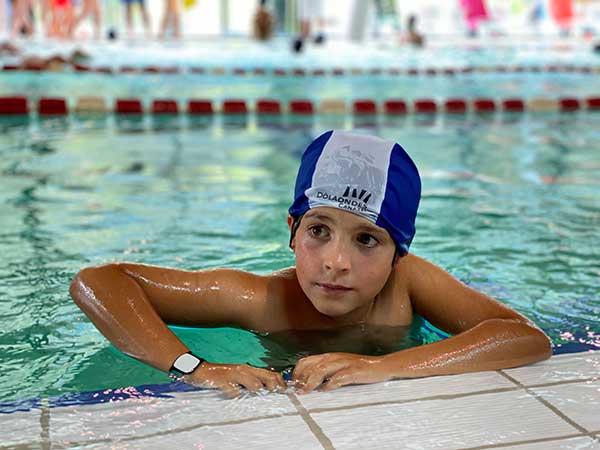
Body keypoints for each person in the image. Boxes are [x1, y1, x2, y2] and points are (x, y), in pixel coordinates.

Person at [70, 130, 552, 398]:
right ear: (291, 232)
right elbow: (98, 282)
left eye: (367, 239)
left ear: (398, 253)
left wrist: (383, 367)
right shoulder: (260, 301)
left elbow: (526, 337)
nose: (335, 263)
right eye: (318, 231)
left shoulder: (409, 283)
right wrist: (194, 367)